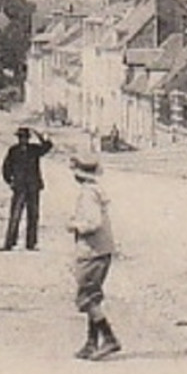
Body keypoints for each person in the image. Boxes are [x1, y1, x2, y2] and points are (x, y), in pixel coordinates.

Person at [68, 153, 120, 360]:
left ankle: (109, 338)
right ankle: (91, 343)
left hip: (91, 250)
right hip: (102, 250)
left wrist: (73, 225)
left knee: (86, 297)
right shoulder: (96, 191)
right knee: (94, 295)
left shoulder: (88, 194)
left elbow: (93, 223)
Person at [0, 126, 54, 251]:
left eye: (24, 137)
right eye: (20, 137)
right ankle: (9, 243)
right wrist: (10, 181)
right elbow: (6, 167)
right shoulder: (13, 151)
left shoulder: (34, 149)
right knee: (15, 215)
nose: (22, 140)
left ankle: (31, 243)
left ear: (28, 138)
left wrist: (40, 135)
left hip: (33, 187)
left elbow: (48, 146)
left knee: (33, 216)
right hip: (19, 188)